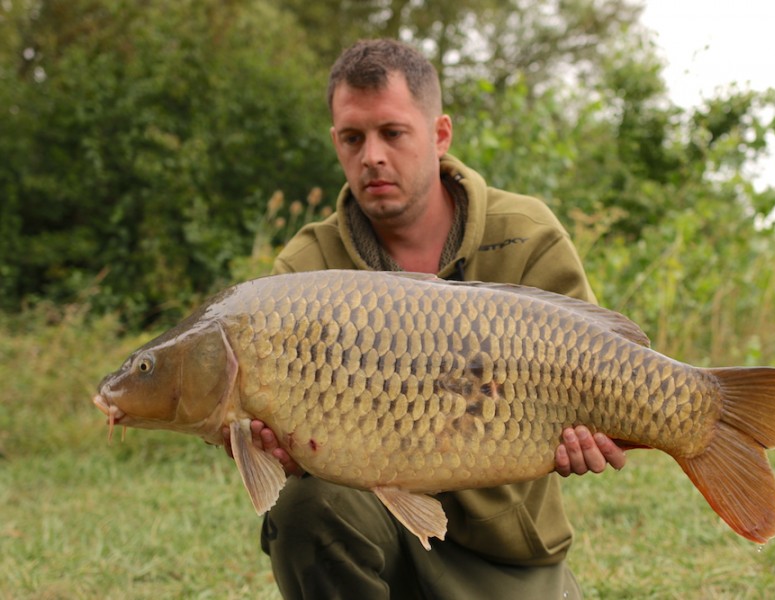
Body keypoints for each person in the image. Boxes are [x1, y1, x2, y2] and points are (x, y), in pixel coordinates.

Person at [224, 38, 626, 599]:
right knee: (305, 510)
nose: (372, 157)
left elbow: (606, 364)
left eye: (392, 133)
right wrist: (274, 448)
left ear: (439, 134)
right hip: (369, 529)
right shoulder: (304, 269)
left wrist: (606, 429)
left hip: (503, 551)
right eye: (352, 137)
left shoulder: (527, 232)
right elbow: (281, 450)